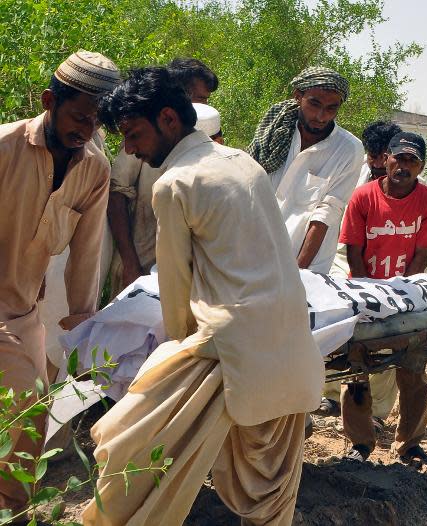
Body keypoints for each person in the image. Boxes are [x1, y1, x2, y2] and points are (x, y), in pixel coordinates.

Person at [81, 67, 323, 525]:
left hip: (228, 350)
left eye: (132, 135)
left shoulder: (175, 185)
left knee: (125, 449)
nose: (129, 149)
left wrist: (170, 365)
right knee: (266, 490)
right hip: (293, 345)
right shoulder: (243, 162)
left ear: (168, 119)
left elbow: (176, 293)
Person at [0, 49, 119, 516]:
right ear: (50, 100)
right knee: (28, 416)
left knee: (34, 423)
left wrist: (84, 323)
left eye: (95, 122)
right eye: (78, 117)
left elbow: (86, 254)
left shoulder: (94, 168)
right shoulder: (6, 148)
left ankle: (12, 508)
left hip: (26, 311)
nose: (86, 131)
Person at [338, 131, 427, 464]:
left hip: (407, 292)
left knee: (413, 370)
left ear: (421, 166)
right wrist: (370, 293)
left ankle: (409, 444)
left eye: (412, 161)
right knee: (355, 371)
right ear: (386, 159)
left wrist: (401, 295)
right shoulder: (363, 197)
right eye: (398, 159)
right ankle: (360, 443)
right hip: (364, 289)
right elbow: (354, 251)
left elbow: (422, 255)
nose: (403, 167)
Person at [107, 58, 219, 291]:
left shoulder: (203, 138)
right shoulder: (142, 138)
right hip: (138, 266)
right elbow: (116, 195)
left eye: (206, 99)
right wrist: (130, 264)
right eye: (199, 98)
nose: (203, 105)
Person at [320, 121, 403, 428]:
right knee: (332, 322)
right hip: (345, 260)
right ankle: (328, 394)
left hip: (389, 268)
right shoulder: (353, 176)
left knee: (388, 334)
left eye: (384, 155)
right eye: (373, 155)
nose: (378, 162)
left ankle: (377, 412)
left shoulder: (406, 188)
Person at [247, 66, 363, 273]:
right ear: (298, 96)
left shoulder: (349, 149)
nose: (321, 116)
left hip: (306, 264)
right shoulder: (275, 133)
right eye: (314, 104)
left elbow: (326, 214)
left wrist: (297, 273)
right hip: (254, 251)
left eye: (331, 108)